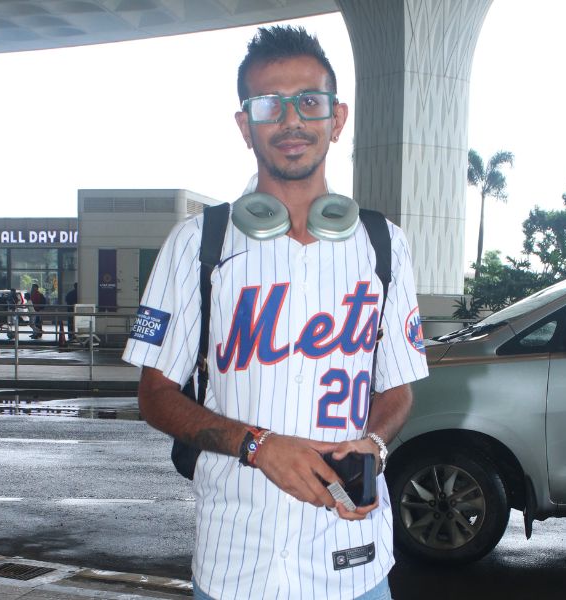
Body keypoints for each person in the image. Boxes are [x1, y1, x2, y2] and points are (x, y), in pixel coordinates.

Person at [123, 26, 428, 600]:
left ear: (337, 119)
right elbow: (155, 394)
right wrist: (257, 445)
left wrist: (376, 442)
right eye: (269, 105)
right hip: (236, 563)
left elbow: (399, 387)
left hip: (353, 564)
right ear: (246, 126)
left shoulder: (384, 244)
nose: (291, 121)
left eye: (309, 102)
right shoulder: (198, 243)